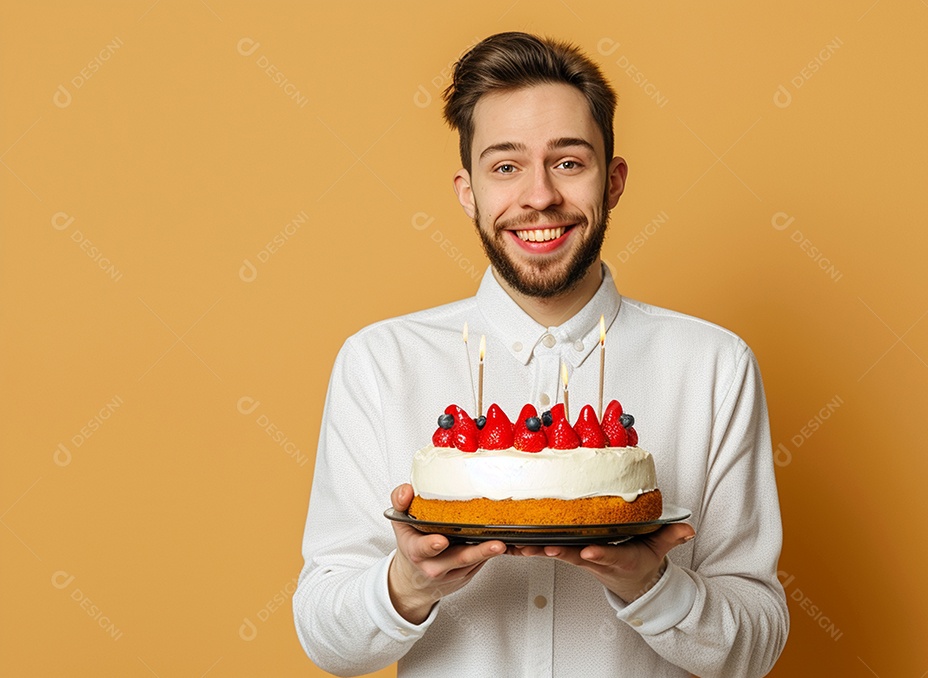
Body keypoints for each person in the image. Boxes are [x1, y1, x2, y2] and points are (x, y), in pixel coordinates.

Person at [293, 32, 788, 677]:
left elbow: (756, 647)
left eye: (568, 162)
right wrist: (410, 584)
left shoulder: (714, 366)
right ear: (467, 190)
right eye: (505, 166)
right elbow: (326, 640)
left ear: (613, 182)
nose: (538, 197)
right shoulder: (381, 362)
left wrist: (650, 583)